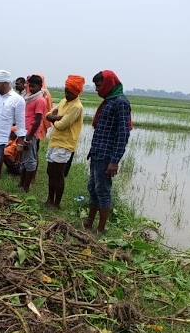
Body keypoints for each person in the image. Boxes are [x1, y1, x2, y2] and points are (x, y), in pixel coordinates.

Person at [84, 70, 132, 234]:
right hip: (97, 153)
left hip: (107, 156)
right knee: (92, 189)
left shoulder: (121, 103)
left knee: (103, 191)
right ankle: (89, 222)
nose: (97, 90)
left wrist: (114, 161)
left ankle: (101, 229)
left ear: (108, 85)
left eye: (99, 86)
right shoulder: (108, 102)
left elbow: (123, 134)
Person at [45, 75, 85, 209]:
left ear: (77, 92)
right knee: (50, 171)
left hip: (65, 144)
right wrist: (57, 117)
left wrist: (54, 118)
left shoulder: (76, 107)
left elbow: (62, 125)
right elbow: (48, 114)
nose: (67, 94)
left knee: (58, 174)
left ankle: (56, 203)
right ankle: (49, 199)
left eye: (70, 92)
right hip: (55, 141)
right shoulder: (64, 101)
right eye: (66, 91)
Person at [18, 75, 47, 192]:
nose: (31, 88)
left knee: (30, 160)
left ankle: (26, 187)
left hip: (31, 133)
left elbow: (38, 120)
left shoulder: (40, 100)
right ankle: (22, 182)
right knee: (24, 159)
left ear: (40, 86)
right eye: (30, 86)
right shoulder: (30, 97)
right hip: (25, 131)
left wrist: (29, 138)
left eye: (34, 86)